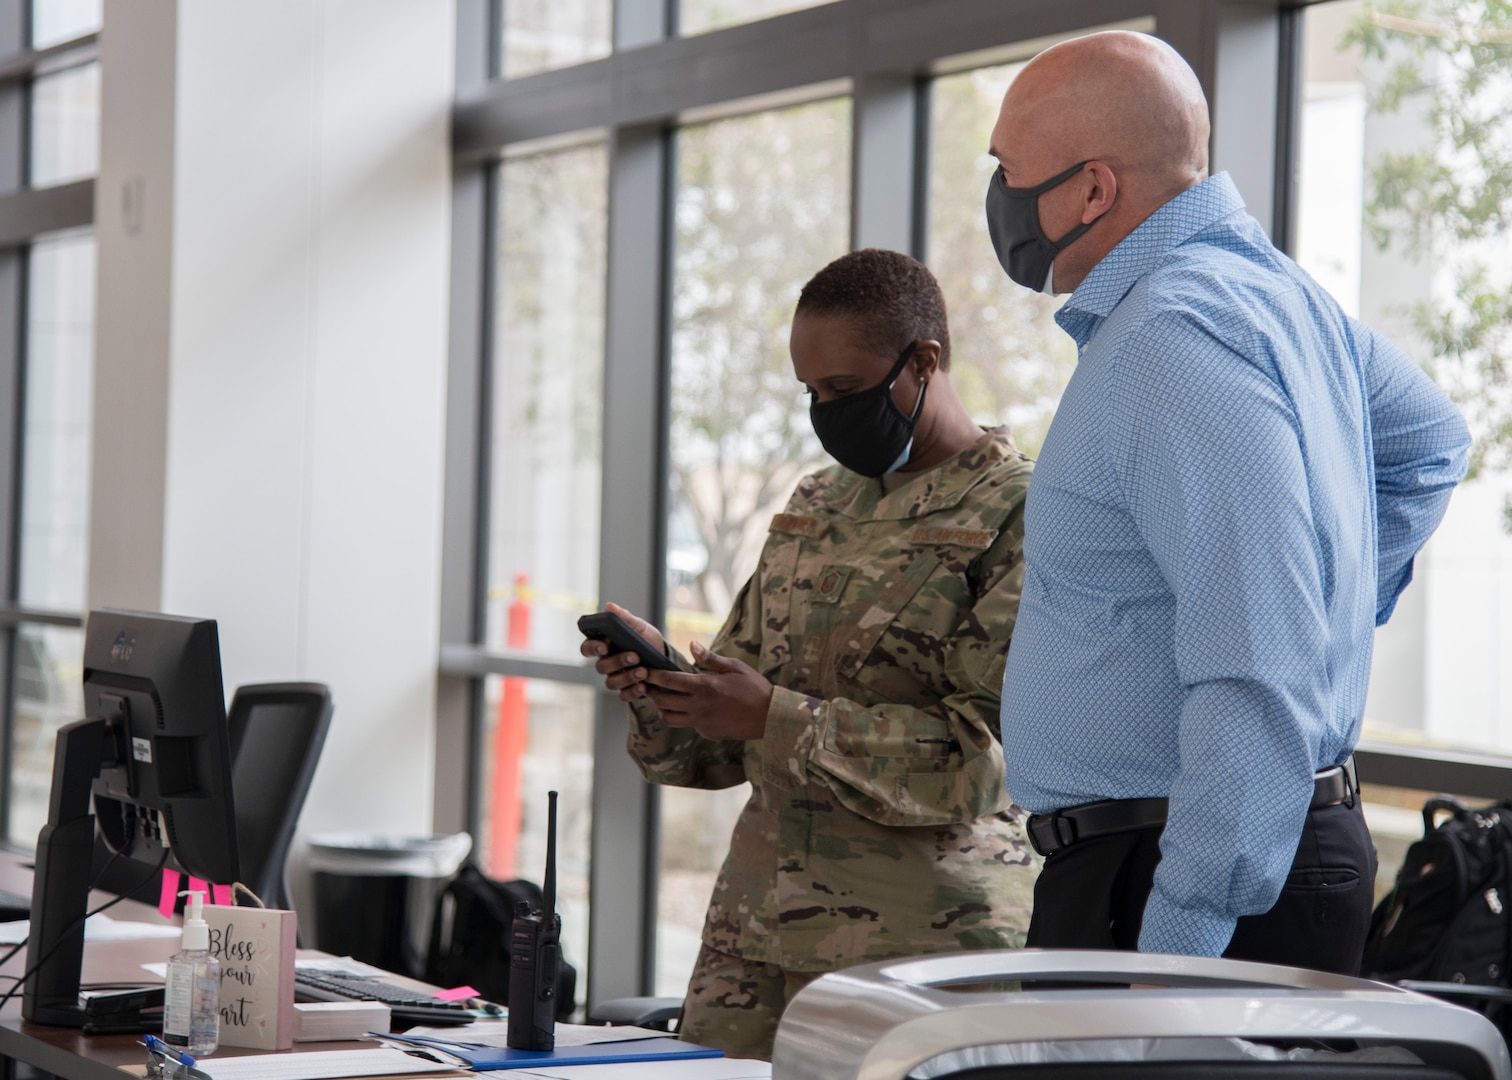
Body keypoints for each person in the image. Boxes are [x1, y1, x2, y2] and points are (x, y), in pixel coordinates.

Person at [985, 30, 1471, 973]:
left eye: (1008, 169)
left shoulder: (1173, 337)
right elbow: (1428, 443)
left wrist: (1178, 951)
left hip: (1176, 879)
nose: (996, 196)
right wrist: (1327, 609)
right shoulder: (1274, 296)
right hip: (1212, 858)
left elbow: (1255, 662)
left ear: (1093, 190)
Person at [583, 249, 1039, 1060]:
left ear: (924, 363)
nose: (826, 413)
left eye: (845, 392)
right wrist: (665, 693)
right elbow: (720, 745)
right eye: (811, 393)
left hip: (921, 952)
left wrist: (776, 717)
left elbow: (986, 758)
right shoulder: (818, 502)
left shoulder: (1019, 512)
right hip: (756, 937)